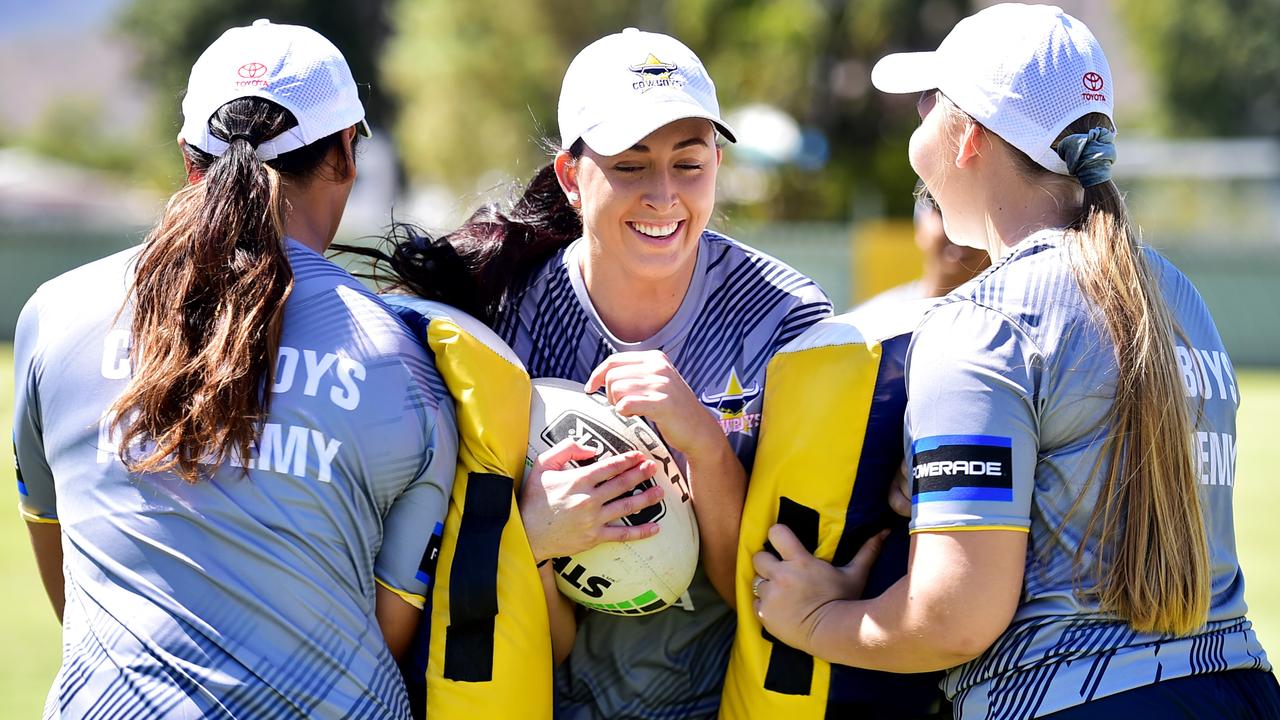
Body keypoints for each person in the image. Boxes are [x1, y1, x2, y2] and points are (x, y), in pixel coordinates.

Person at [749, 4, 1279, 719]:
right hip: (1240, 690)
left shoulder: (982, 322)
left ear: (968, 136)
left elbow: (955, 617)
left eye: (927, 108)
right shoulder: (1176, 293)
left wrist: (814, 620)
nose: (914, 133)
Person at [362, 27, 832, 719]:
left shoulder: (787, 320)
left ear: (718, 164)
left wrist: (700, 440)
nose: (664, 195)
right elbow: (516, 626)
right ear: (570, 178)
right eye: (631, 165)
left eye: (689, 162)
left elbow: (773, 594)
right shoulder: (500, 321)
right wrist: (530, 538)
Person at [13, 20, 456, 719]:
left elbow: (56, 547)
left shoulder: (53, 316)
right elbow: (391, 622)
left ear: (191, 158)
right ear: (346, 155)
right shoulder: (407, 359)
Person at [851, 194, 990, 317]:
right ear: (919, 225)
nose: (960, 229)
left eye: (975, 214)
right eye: (943, 211)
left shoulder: (1006, 321)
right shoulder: (875, 321)